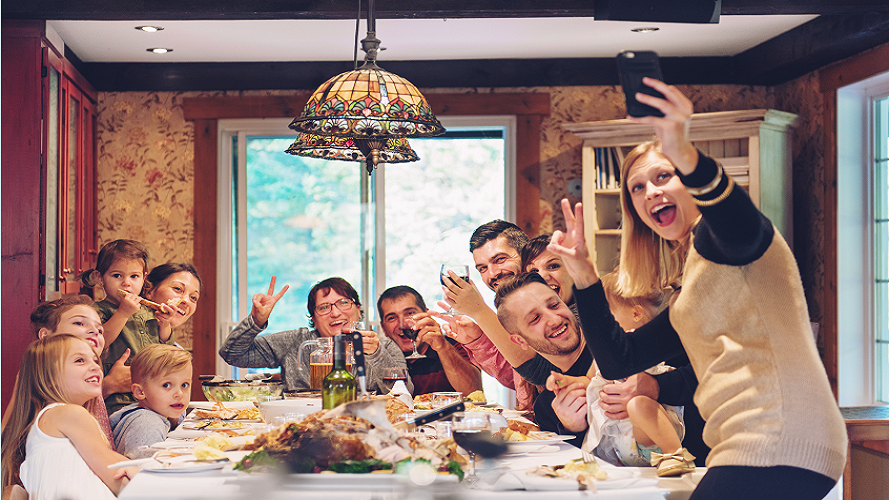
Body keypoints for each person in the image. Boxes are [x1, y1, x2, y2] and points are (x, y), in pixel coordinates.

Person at [548, 77, 846, 499]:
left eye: (663, 176)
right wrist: (583, 276)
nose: (651, 192)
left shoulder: (725, 239)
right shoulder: (693, 289)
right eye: (637, 188)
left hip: (781, 437)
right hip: (746, 444)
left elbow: (735, 217)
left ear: (688, 183)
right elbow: (619, 359)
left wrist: (682, 149)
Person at [549, 271, 694, 477]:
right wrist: (565, 381)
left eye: (608, 316)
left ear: (636, 314)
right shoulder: (605, 354)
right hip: (619, 441)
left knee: (637, 405)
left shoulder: (645, 346)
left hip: (648, 434)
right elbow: (588, 380)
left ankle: (675, 454)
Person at [1, 335, 140, 499]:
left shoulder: (50, 419)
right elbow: (115, 476)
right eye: (80, 360)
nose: (96, 367)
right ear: (49, 377)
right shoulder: (69, 414)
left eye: (95, 360)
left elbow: (112, 462)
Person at [220, 276, 411, 394]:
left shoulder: (383, 347)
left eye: (343, 303)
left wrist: (376, 355)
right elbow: (232, 354)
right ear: (314, 318)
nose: (335, 313)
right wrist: (256, 320)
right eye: (324, 307)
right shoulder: (297, 342)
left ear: (358, 309)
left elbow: (404, 394)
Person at [438, 220, 540, 411]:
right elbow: (517, 378)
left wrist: (478, 311)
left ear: (525, 256)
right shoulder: (510, 310)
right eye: (482, 268)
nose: (493, 274)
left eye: (500, 259)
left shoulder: (550, 302)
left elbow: (534, 368)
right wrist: (478, 340)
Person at [493, 272, 593, 447]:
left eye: (554, 305)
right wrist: (571, 429)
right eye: (535, 319)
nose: (555, 320)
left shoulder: (613, 349)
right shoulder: (547, 406)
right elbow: (568, 471)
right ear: (520, 341)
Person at [1, 296, 116, 447]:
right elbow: (10, 428)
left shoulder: (92, 373)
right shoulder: (40, 370)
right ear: (46, 336)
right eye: (79, 323)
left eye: (100, 330)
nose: (94, 331)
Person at [95, 258, 202, 416]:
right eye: (178, 289)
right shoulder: (105, 320)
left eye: (193, 298)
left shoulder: (176, 352)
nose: (186, 301)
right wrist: (108, 386)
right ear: (148, 290)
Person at [377, 285, 482, 396]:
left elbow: (473, 392)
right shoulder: (379, 359)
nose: (402, 324)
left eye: (410, 313)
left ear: (426, 315)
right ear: (383, 328)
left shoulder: (454, 344)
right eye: (392, 318)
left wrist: (442, 347)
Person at [109, 344, 192, 459]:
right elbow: (149, 469)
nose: (179, 394)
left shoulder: (146, 413)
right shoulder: (148, 424)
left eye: (184, 385)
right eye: (166, 385)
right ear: (140, 392)